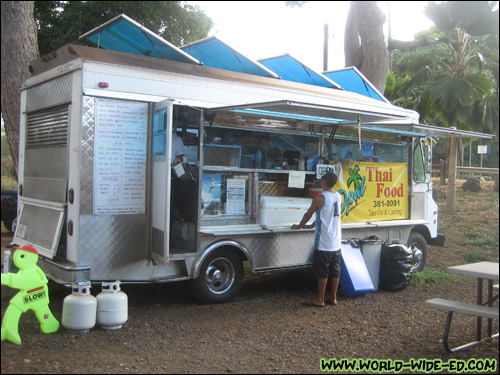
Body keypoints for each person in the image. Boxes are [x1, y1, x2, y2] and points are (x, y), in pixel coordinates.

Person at [292, 171, 342, 307]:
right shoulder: (338, 196)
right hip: (336, 241)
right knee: (336, 269)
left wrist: (300, 226)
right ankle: (333, 297)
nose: (320, 182)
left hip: (324, 242)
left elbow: (309, 214)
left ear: (325, 182)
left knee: (322, 271)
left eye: (322, 180)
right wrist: (313, 225)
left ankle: (320, 299)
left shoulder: (320, 198)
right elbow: (326, 215)